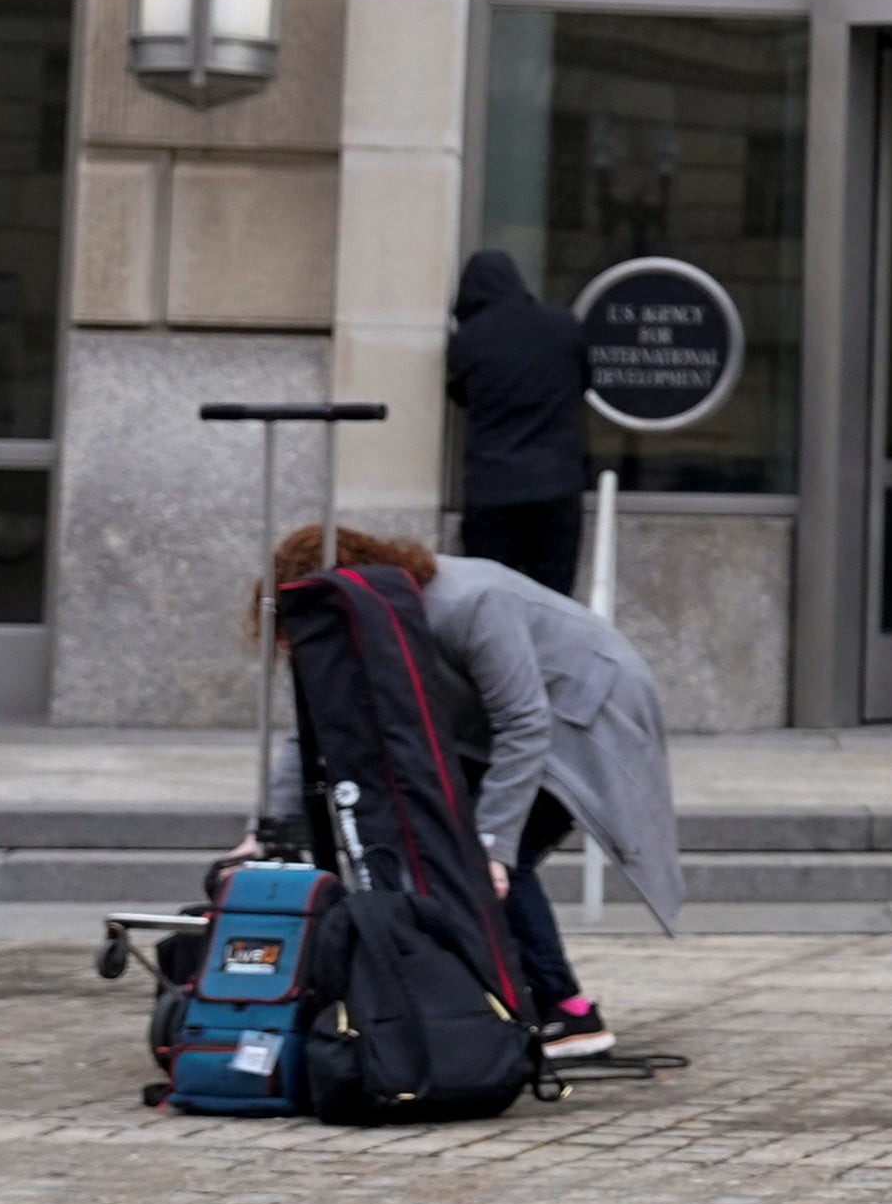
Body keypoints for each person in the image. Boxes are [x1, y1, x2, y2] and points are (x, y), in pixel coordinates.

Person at [267, 522, 681, 1062]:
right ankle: (484, 994)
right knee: (435, 837)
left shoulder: (468, 601)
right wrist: (272, 832)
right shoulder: (358, 621)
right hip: (491, 724)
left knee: (484, 861)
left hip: (582, 713)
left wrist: (494, 844)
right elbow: (312, 727)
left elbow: (525, 722)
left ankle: (569, 1011)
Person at [446, 250, 592, 594]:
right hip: (557, 483)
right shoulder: (564, 326)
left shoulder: (470, 339)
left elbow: (461, 396)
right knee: (554, 598)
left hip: (492, 488)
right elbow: (584, 383)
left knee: (491, 598)